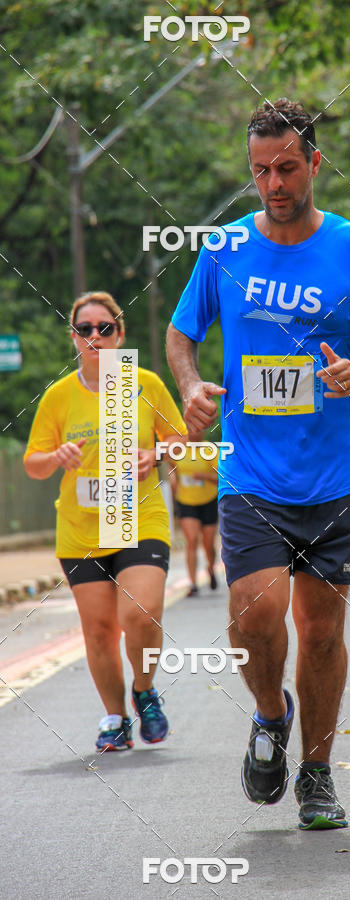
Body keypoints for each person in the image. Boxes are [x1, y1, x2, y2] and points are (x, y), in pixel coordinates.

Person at [166, 98, 350, 829]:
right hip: (252, 472)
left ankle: (316, 774)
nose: (272, 184)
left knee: (324, 630)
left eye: (284, 168)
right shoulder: (225, 251)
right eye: (258, 172)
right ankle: (271, 715)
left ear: (313, 163)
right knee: (253, 612)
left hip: (336, 473)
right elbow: (183, 336)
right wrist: (189, 385)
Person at [24, 292, 186, 751]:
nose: (95, 336)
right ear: (73, 336)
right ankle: (115, 718)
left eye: (105, 328)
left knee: (141, 614)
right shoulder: (58, 396)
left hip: (138, 517)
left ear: (120, 335)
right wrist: (55, 456)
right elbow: (33, 462)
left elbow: (179, 442)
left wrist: (155, 453)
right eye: (84, 329)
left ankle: (144, 688)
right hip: (81, 530)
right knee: (97, 630)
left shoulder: (145, 384)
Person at [169, 435, 219, 596]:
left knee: (208, 542)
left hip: (208, 501)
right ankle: (192, 583)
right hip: (186, 501)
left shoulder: (209, 450)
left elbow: (220, 478)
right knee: (191, 541)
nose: (194, 433)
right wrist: (173, 481)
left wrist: (204, 476)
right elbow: (172, 468)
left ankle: (211, 568)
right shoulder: (179, 450)